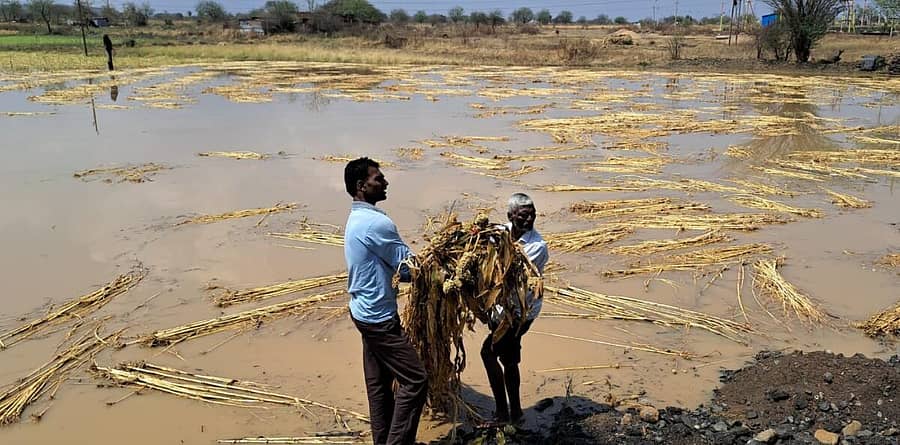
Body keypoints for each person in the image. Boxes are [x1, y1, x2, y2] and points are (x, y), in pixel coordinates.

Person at [343, 157, 427, 445]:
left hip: (362, 311)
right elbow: (410, 269)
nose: (385, 182)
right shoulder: (376, 224)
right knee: (415, 381)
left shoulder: (356, 218)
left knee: (378, 385)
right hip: (379, 318)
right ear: (361, 186)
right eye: (378, 178)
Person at [480, 193, 549, 425]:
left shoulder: (537, 246)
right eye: (523, 215)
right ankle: (516, 412)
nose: (529, 219)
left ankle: (502, 412)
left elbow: (506, 273)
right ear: (511, 216)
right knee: (509, 359)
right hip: (503, 309)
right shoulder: (500, 231)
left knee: (488, 353)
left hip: (521, 312)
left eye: (532, 215)